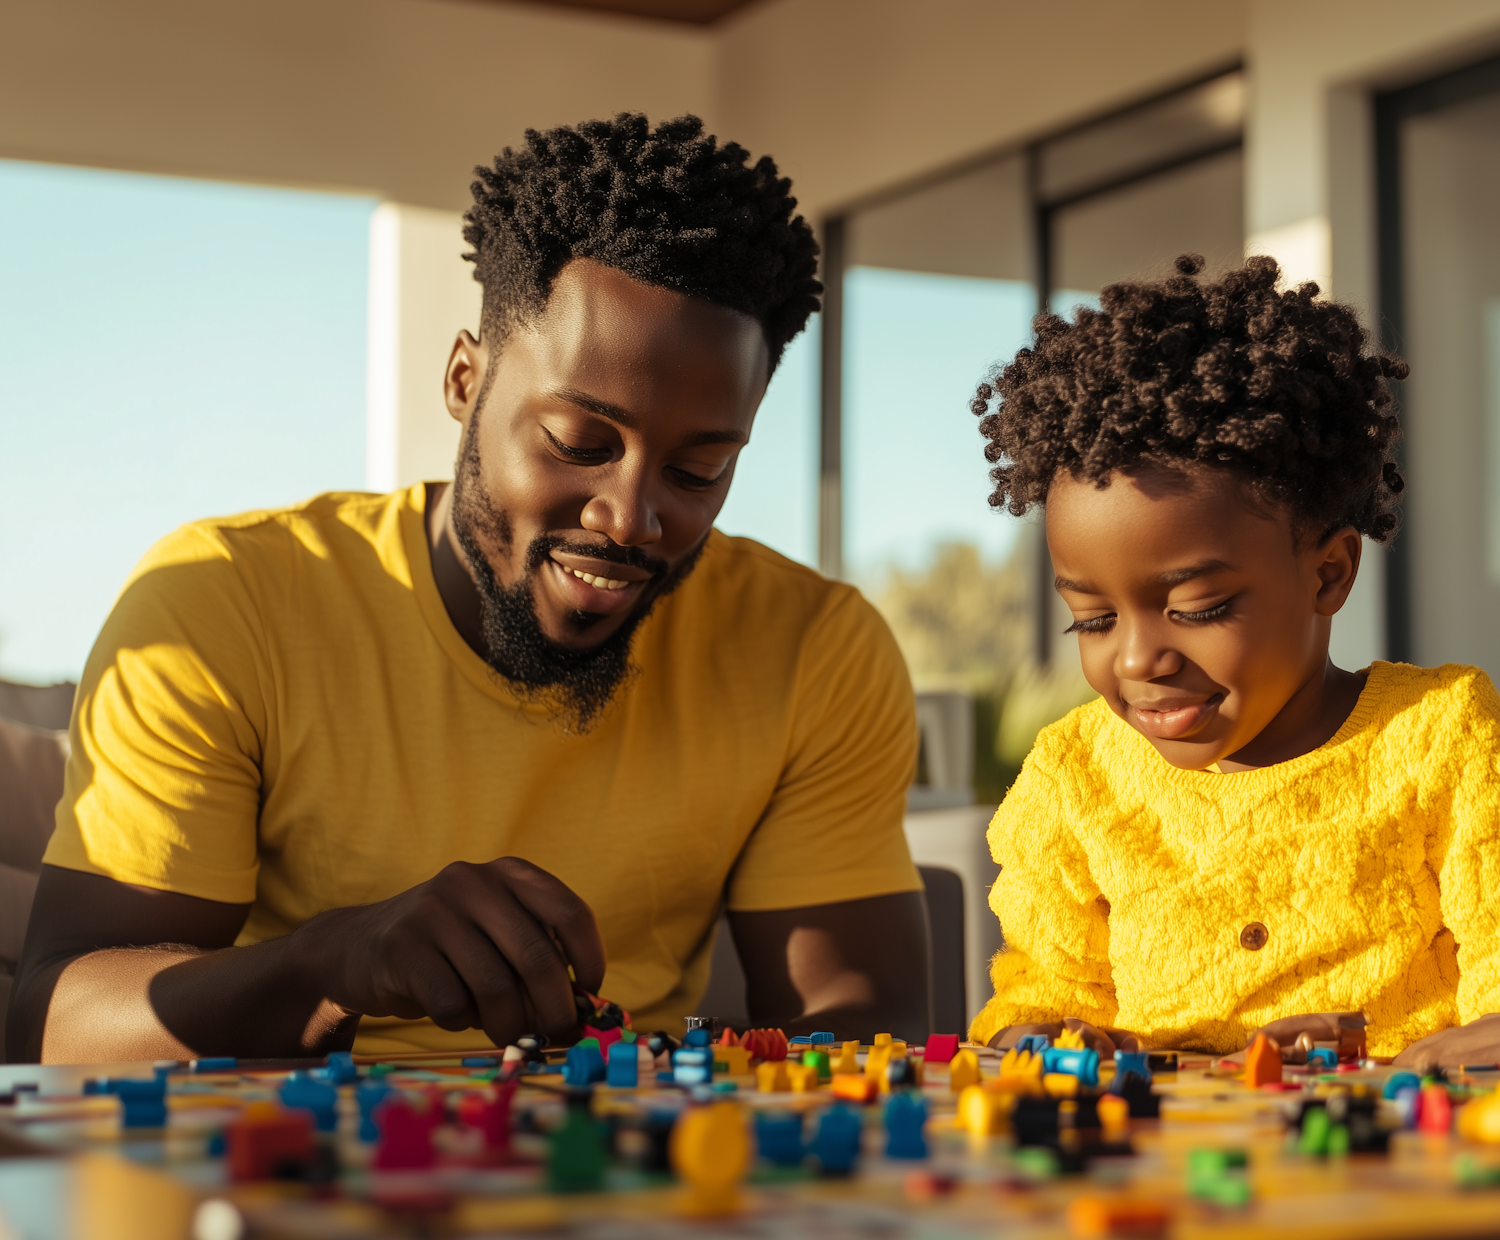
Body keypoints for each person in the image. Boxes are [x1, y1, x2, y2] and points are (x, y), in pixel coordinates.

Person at [7, 114, 931, 1065]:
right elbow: (54, 1022)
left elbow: (866, 1023)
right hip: (280, 1175)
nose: (630, 518)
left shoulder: (812, 646)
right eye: (579, 443)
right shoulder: (224, 602)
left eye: (697, 471)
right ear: (465, 379)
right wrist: (329, 963)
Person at [967, 254, 1500, 1069]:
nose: (1141, 656)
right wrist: (1037, 1036)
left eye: (1199, 609)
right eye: (1093, 619)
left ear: (1328, 573)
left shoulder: (1438, 738)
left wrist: (1377, 1056)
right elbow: (1040, 995)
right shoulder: (1075, 777)